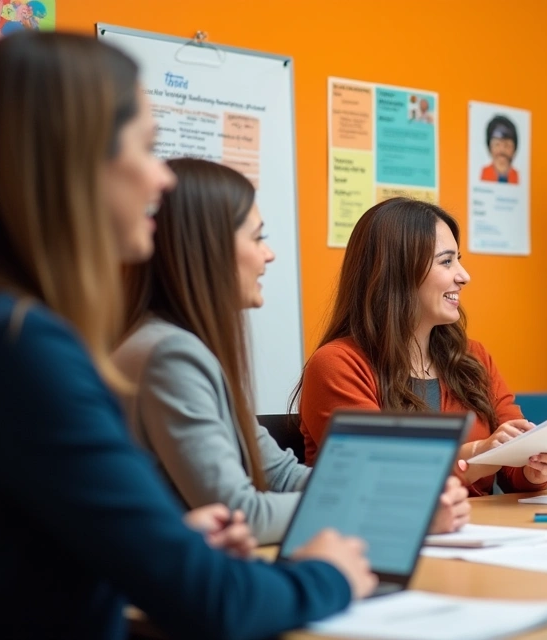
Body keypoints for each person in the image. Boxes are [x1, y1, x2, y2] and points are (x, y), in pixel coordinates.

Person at [0, 32, 375, 640]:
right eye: (145, 147)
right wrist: (328, 574)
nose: (163, 179)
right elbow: (212, 603)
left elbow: (14, 556)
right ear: (74, 163)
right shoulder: (22, 347)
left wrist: (166, 541)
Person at [114, 158, 470, 544]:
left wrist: (398, 496)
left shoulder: (183, 348)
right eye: (257, 238)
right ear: (205, 248)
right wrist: (390, 511)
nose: (268, 255)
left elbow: (280, 475)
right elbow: (242, 512)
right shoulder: (170, 356)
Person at [294, 197, 547, 495]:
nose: (464, 276)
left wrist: (534, 466)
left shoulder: (474, 357)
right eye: (446, 261)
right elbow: (381, 476)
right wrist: (478, 453)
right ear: (397, 273)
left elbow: (513, 474)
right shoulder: (336, 365)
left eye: (458, 259)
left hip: (475, 524)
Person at [480, 115, 520, 184]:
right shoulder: (484, 173)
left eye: (507, 145)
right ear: (490, 148)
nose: (502, 150)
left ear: (514, 149)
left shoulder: (517, 176)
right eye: (497, 144)